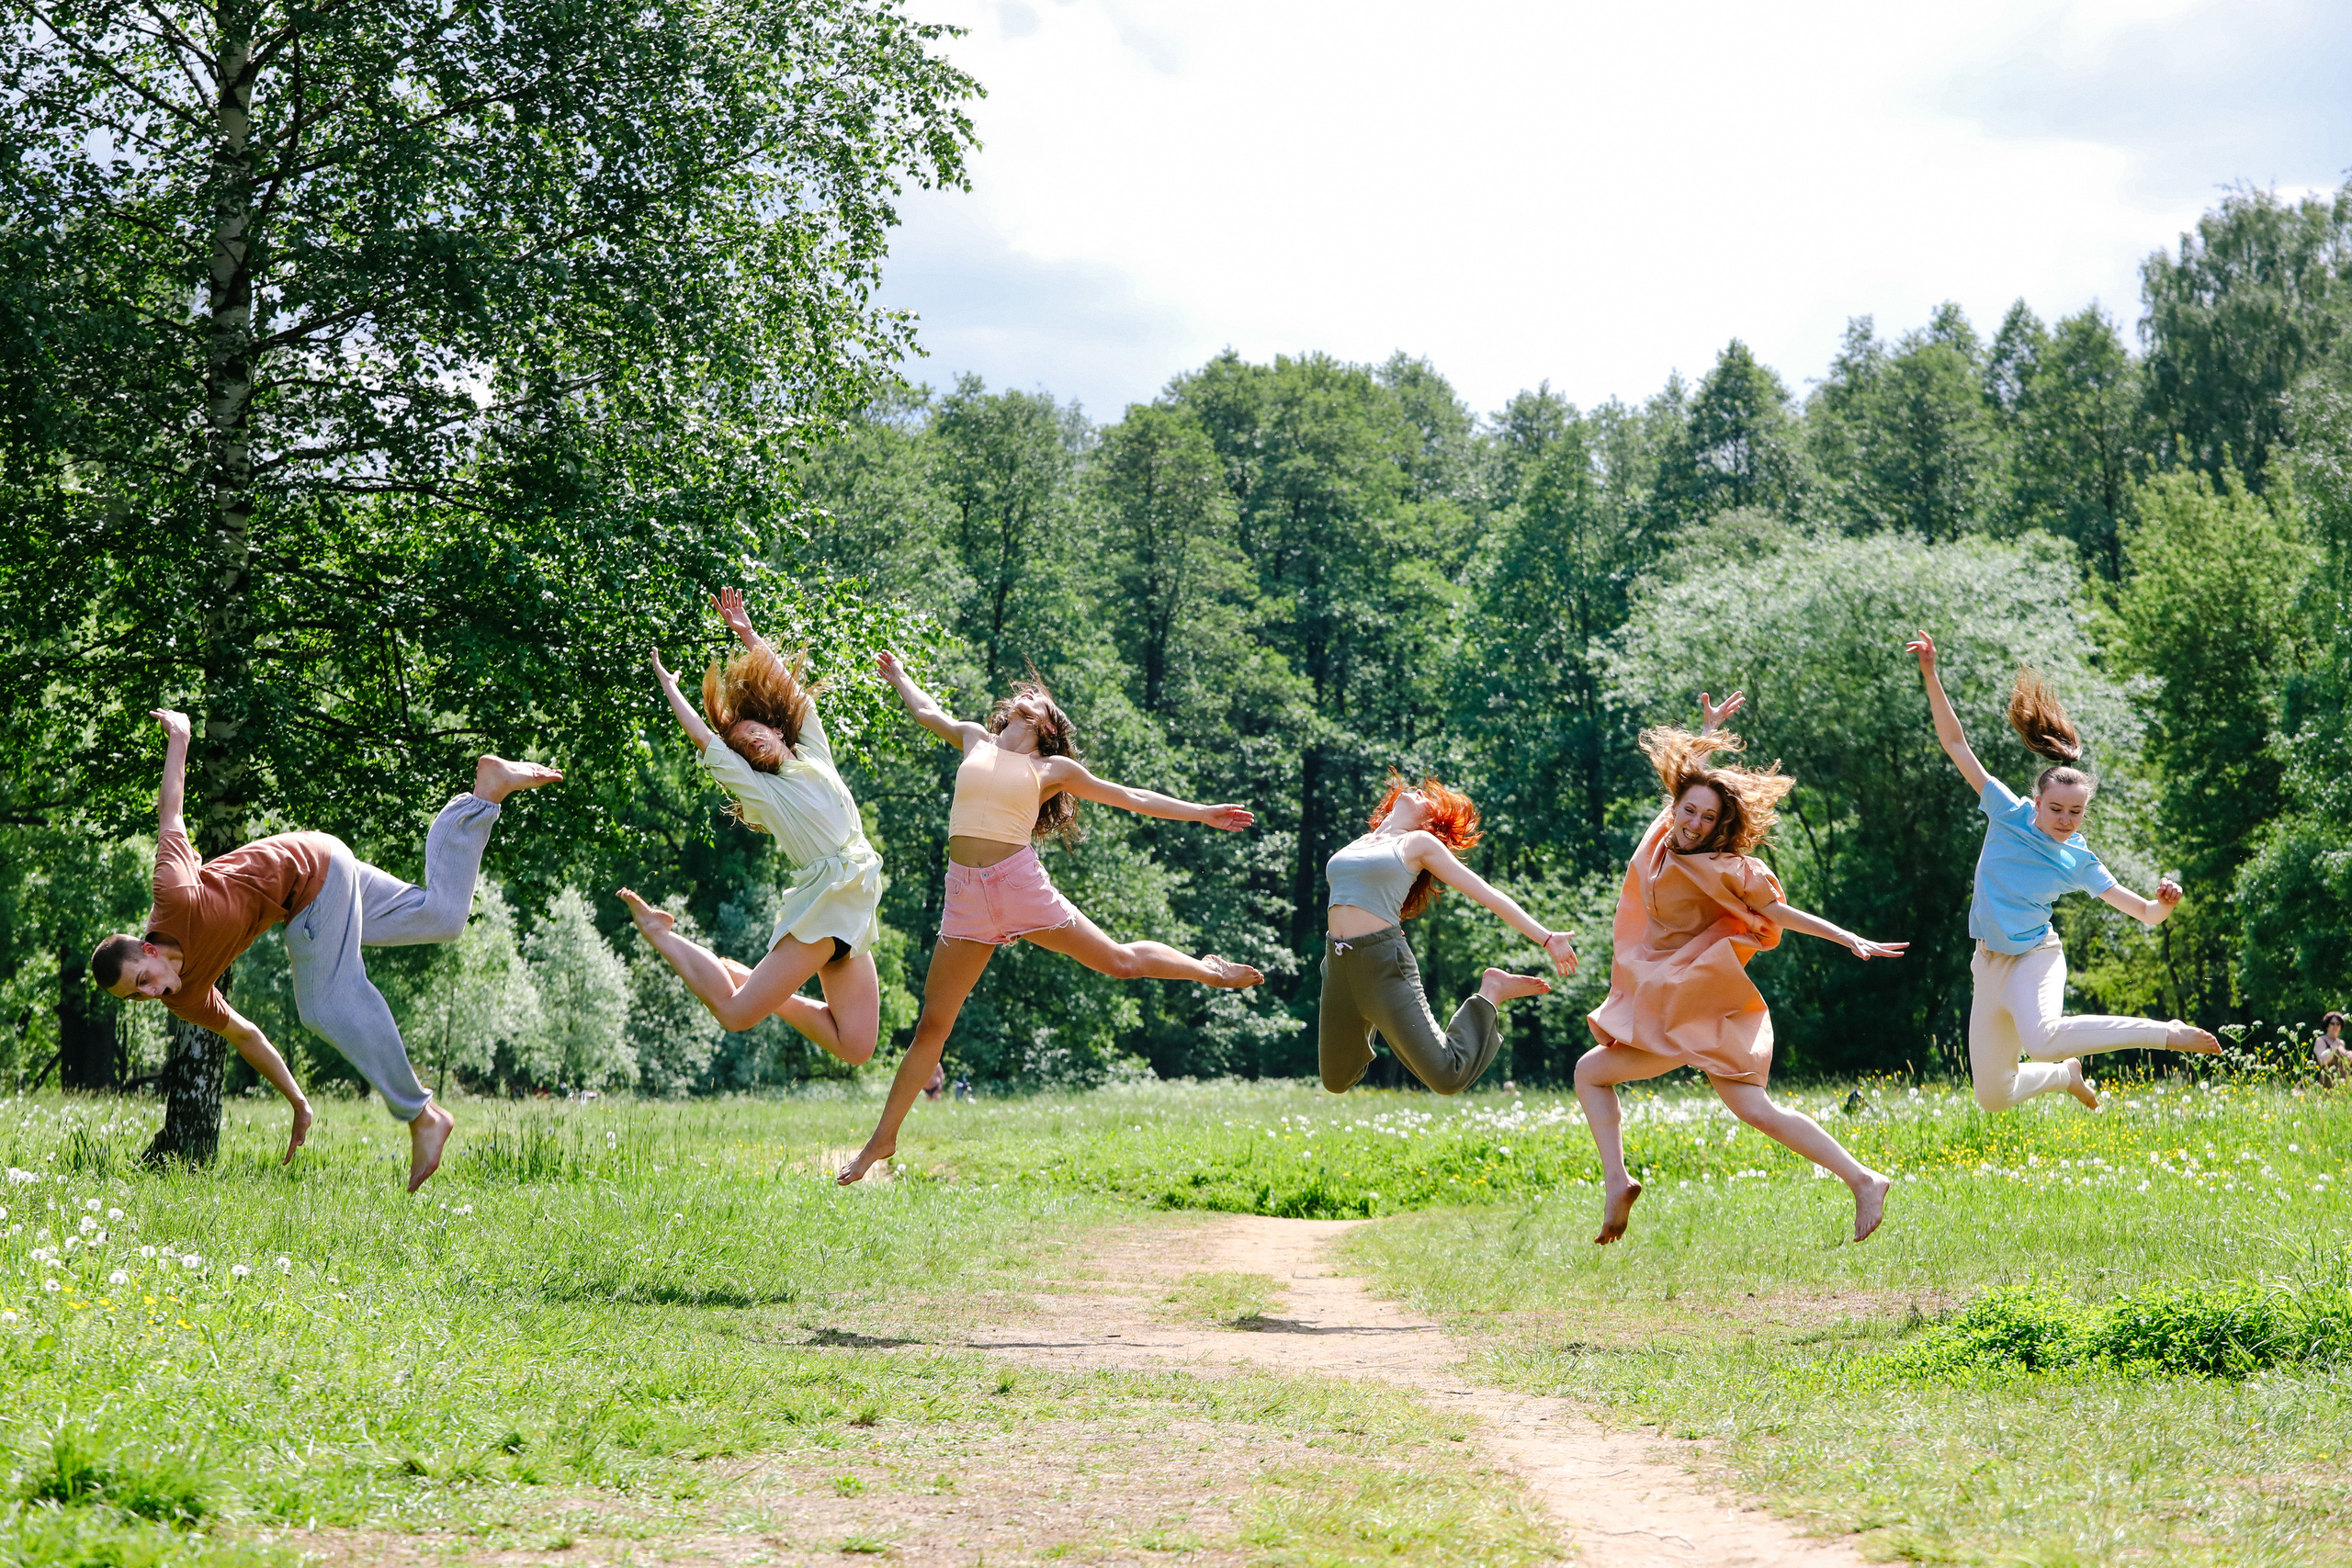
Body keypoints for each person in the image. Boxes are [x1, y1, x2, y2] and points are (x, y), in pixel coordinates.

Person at [836, 652, 1263, 1184]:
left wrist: (1201, 812)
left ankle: (1209, 970)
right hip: (964, 895)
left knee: (1119, 962)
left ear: (1046, 723)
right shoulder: (974, 738)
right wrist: (900, 678)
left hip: (1018, 885)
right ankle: (884, 1137)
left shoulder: (1051, 770)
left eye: (1034, 700)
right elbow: (929, 713)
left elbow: (1129, 796)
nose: (1023, 698)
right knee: (933, 1025)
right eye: (1021, 699)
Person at [91, 709, 560, 1190]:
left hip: (311, 879)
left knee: (323, 1003)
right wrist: (297, 1100)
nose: (148, 994)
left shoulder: (174, 896)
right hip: (328, 866)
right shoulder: (184, 998)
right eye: (136, 996)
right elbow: (246, 1036)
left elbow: (171, 812)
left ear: (147, 950)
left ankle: (421, 1114)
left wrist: (182, 736)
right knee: (441, 917)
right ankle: (485, 795)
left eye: (141, 980)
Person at [1575, 693, 1907, 1246]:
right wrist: (1707, 733)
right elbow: (1685, 782)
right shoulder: (1663, 837)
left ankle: (1862, 1179)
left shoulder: (1730, 868)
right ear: (1676, 806)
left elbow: (1777, 913)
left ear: (1720, 826)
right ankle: (1620, 1181)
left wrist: (1845, 936)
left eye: (1708, 819)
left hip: (1691, 1001)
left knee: (1610, 1075)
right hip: (1670, 1001)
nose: (1695, 824)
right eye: (1689, 811)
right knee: (1610, 1076)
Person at [1907, 632, 2218, 1114]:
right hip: (1987, 964)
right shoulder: (2005, 811)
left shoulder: (2079, 859)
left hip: (2035, 958)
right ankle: (2063, 1077)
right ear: (2037, 803)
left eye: (2075, 813)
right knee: (1993, 1097)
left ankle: (2166, 1034)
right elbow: (1954, 743)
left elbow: (2145, 913)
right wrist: (1930, 673)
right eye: (2056, 809)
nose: (2065, 820)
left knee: (2047, 1038)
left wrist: (2164, 904)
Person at [617, 589, 884, 1066]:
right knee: (736, 1014)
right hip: (827, 902)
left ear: (779, 730)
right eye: (742, 745)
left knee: (857, 1047)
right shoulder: (762, 790)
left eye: (756, 731)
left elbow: (794, 692)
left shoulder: (813, 753)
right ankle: (661, 932)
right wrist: (671, 687)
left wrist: (745, 630)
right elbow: (703, 737)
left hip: (857, 901)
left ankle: (765, 988)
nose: (752, 741)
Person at [1319, 774, 1577, 1096]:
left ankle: (1491, 991)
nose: (1417, 791)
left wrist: (1547, 938)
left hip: (1383, 963)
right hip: (1337, 963)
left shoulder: (1417, 844)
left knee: (1447, 1076)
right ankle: (1369, 1014)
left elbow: (1487, 893)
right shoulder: (1361, 842)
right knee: (1335, 1080)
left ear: (1429, 823)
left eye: (1428, 799)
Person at [2314, 1010, 2348, 1082]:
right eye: (2332, 1024)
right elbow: (2323, 1061)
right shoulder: (2321, 1040)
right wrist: (2334, 1047)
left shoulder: (2341, 1042)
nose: (2335, 1026)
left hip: (2342, 1080)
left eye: (2338, 1024)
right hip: (2327, 1079)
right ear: (2327, 1026)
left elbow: (2345, 1063)